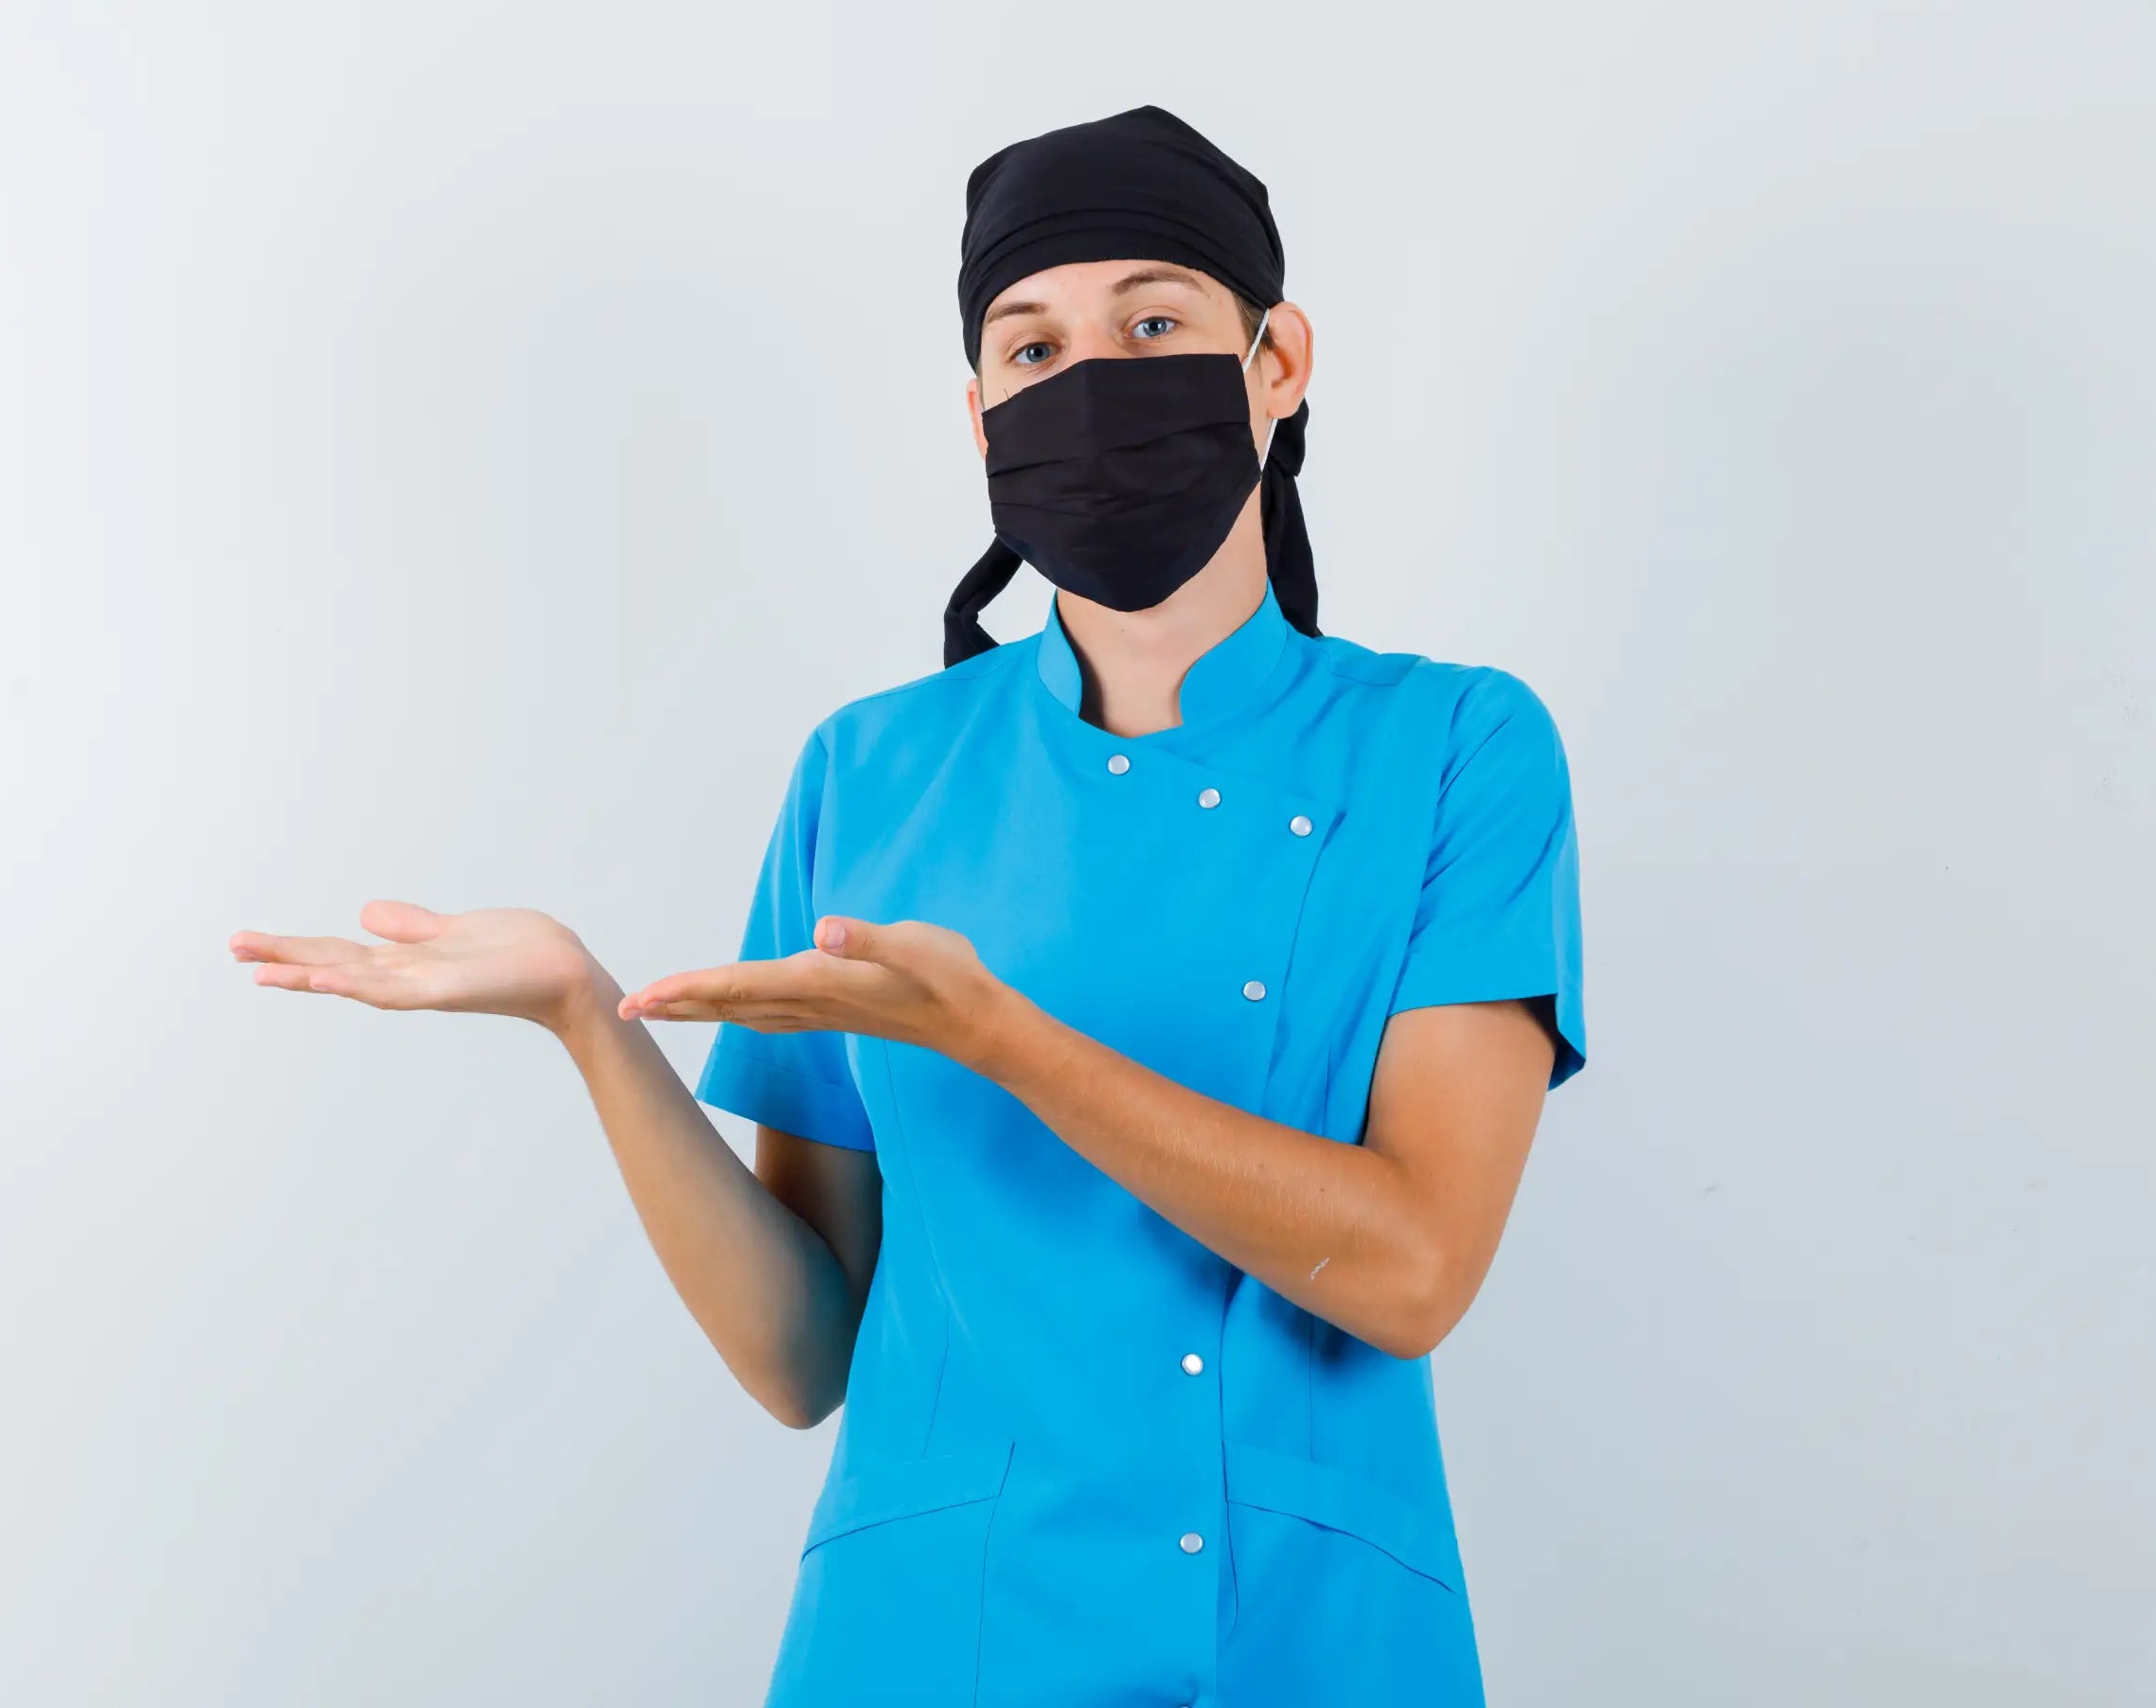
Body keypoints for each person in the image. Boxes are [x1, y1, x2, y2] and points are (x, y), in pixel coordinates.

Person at [228, 103, 1588, 1706]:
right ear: (981, 413)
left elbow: (1414, 1267)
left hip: (1303, 1637)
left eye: (1154, 323)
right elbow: (807, 1353)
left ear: (1277, 362)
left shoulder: (1453, 747)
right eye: (1032, 349)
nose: (1089, 381)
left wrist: (1003, 1040)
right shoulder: (874, 773)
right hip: (925, 1639)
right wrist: (590, 1024)